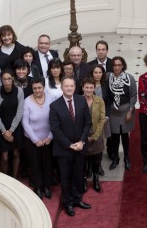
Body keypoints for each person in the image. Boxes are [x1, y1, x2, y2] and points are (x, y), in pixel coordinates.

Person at [50, 77, 92, 217]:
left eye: (71, 86)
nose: (69, 88)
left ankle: (77, 199)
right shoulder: (55, 106)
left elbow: (87, 122)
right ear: (62, 87)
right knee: (66, 177)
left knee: (78, 175)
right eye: (66, 86)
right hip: (64, 149)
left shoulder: (81, 100)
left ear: (75, 87)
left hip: (80, 147)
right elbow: (55, 129)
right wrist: (69, 145)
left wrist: (81, 141)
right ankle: (67, 203)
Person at [22, 76, 53, 200]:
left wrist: (50, 136)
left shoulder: (51, 99)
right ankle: (38, 187)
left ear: (43, 87)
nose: (37, 90)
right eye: (34, 88)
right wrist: (35, 140)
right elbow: (25, 123)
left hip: (48, 139)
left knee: (47, 163)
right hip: (31, 139)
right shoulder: (27, 101)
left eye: (39, 87)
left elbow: (55, 120)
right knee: (34, 164)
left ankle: (46, 186)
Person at [105, 56, 136, 171]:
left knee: (124, 136)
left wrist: (130, 111)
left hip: (126, 111)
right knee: (114, 137)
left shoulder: (130, 78)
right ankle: (115, 158)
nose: (117, 67)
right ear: (112, 66)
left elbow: (133, 96)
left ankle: (126, 158)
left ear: (123, 65)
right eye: (114, 65)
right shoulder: (108, 77)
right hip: (113, 112)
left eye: (119, 65)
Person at [81, 77, 106, 192]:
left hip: (97, 135)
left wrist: (95, 135)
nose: (89, 90)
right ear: (82, 88)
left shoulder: (99, 100)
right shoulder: (78, 100)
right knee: (84, 161)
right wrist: (84, 136)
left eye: (91, 87)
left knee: (96, 160)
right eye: (87, 87)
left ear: (94, 88)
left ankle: (96, 179)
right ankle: (84, 180)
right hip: (83, 136)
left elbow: (102, 119)